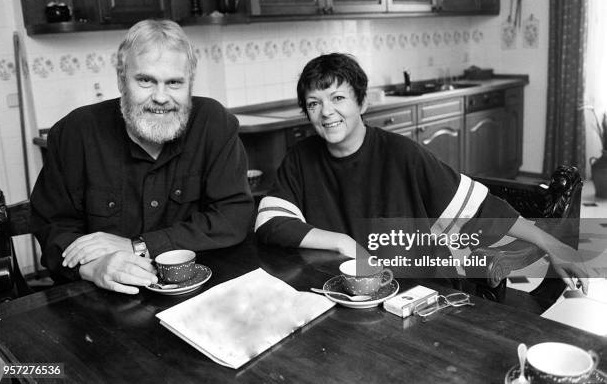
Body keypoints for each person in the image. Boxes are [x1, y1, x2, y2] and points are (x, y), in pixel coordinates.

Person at [255, 52, 588, 292]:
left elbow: (481, 212)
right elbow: (270, 224)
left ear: (363, 103)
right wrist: (343, 243)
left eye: (338, 97)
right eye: (314, 103)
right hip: (343, 292)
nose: (327, 112)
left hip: (418, 289)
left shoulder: (402, 154)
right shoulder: (300, 158)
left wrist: (551, 244)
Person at [31, 20, 254, 294]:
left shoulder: (214, 123)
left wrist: (139, 245)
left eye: (174, 82)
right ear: (121, 79)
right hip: (102, 299)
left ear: (189, 85)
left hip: (199, 290)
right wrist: (93, 268)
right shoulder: (75, 133)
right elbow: (53, 229)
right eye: (146, 80)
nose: (161, 97)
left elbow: (234, 215)